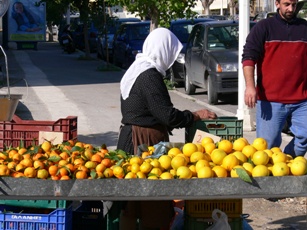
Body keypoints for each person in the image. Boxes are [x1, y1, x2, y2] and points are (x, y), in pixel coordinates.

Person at [117, 27, 217, 230]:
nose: (172, 59)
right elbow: (167, 115)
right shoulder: (149, 75)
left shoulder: (136, 69)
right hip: (143, 144)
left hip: (131, 140)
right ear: (163, 50)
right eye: (171, 52)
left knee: (131, 204)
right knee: (154, 203)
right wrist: (195, 115)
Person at [242, 0, 307, 157]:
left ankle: (288, 161)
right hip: (270, 101)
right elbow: (249, 58)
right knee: (266, 150)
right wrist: (250, 87)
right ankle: (273, 179)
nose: (291, 9)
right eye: (286, 4)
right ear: (277, 4)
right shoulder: (264, 27)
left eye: (293, 4)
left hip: (301, 100)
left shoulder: (304, 28)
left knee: (304, 137)